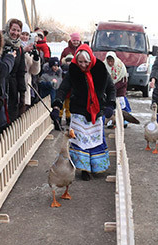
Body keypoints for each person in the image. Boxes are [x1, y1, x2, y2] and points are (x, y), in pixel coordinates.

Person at [51, 44, 115, 180]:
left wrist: (110, 104)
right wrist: (57, 106)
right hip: (79, 110)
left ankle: (96, 167)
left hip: (96, 111)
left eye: (86, 62)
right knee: (80, 141)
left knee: (94, 140)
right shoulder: (73, 70)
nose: (83, 65)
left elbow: (111, 88)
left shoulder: (100, 69)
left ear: (91, 59)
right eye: (80, 62)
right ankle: (84, 169)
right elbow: (63, 89)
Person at [3, 18, 28, 122]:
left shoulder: (19, 48)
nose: (15, 33)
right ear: (8, 29)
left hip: (13, 86)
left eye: (18, 31)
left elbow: (21, 71)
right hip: (2, 84)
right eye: (13, 30)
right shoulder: (1, 44)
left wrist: (22, 93)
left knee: (12, 115)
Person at [105, 51, 128, 127]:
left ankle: (123, 120)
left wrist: (114, 87)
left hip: (120, 89)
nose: (110, 63)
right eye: (108, 61)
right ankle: (111, 121)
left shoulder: (120, 66)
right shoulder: (104, 66)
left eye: (112, 61)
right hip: (108, 90)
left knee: (121, 104)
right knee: (110, 106)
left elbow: (123, 80)